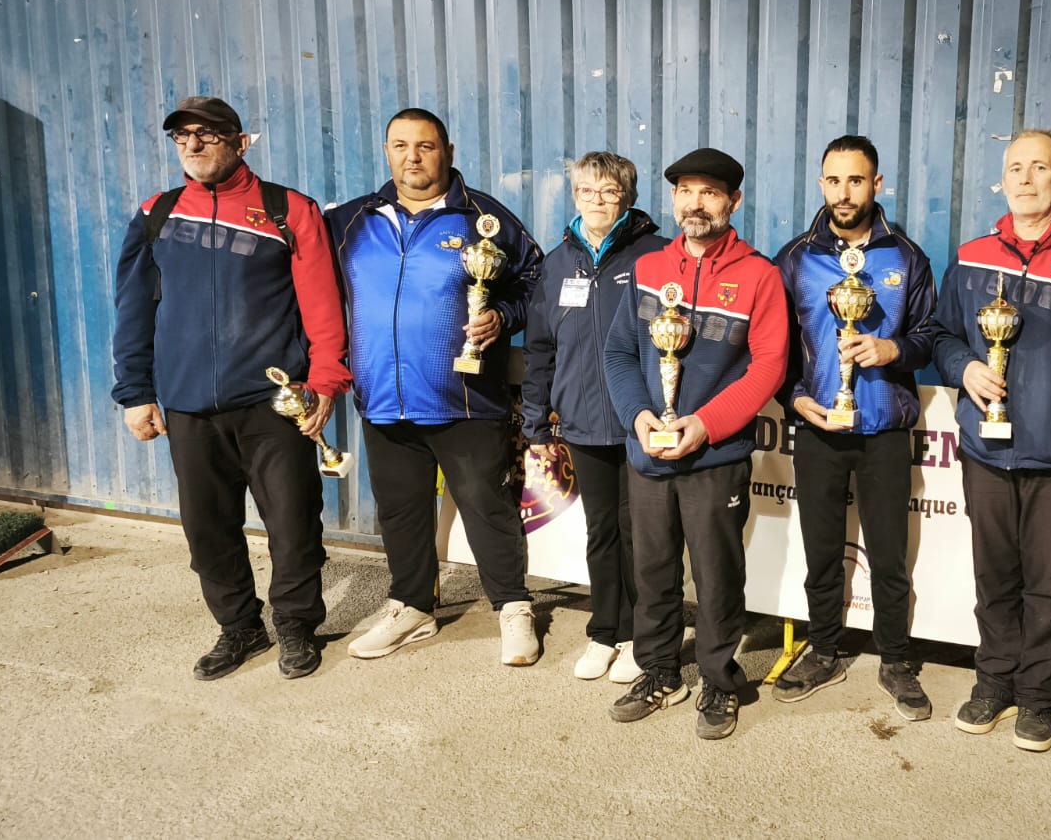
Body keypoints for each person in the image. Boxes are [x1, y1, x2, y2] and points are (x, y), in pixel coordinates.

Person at [112, 96, 350, 681]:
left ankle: (295, 624)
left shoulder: (287, 210)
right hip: (188, 406)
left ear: (242, 142)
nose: (192, 145)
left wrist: (324, 382)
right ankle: (240, 626)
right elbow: (134, 309)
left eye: (208, 134)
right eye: (181, 136)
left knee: (294, 524)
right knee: (207, 530)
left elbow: (322, 306)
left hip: (272, 406)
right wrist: (135, 392)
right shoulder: (158, 214)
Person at [327, 108, 544, 667]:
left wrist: (502, 315)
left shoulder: (484, 219)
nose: (412, 157)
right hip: (382, 396)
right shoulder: (351, 222)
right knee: (400, 510)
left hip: (464, 398)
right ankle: (411, 606)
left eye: (425, 146)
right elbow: (313, 292)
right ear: (386, 151)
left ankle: (513, 606)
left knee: (486, 506)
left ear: (447, 151)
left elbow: (536, 283)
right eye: (400, 145)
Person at [932, 129, 1051, 753]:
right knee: (994, 576)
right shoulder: (972, 254)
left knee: (1048, 582)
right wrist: (964, 368)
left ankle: (1038, 696)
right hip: (985, 450)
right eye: (1016, 167)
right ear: (1003, 179)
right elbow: (941, 335)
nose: (1026, 178)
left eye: (1040, 168)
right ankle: (993, 682)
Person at [602, 148, 789, 740]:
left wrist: (705, 425)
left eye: (710, 192)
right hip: (648, 453)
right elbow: (618, 353)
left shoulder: (759, 275)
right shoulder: (649, 268)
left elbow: (769, 366)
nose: (695, 203)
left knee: (715, 574)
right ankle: (660, 671)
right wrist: (638, 418)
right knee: (652, 570)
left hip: (714, 456)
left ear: (733, 201)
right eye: (686, 190)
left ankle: (718, 679)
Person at [770, 135, 939, 720]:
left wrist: (893, 350)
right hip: (819, 426)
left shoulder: (908, 258)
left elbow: (930, 336)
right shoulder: (794, 258)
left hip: (885, 428)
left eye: (857, 180)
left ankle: (896, 660)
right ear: (822, 184)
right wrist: (794, 398)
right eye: (835, 181)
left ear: (877, 184)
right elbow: (773, 347)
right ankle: (823, 651)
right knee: (821, 551)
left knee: (889, 554)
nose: (845, 193)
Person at [523, 151, 667, 683]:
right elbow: (540, 348)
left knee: (640, 534)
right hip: (582, 421)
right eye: (587, 190)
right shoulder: (558, 262)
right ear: (575, 196)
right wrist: (536, 422)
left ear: (627, 196)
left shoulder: (656, 254)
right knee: (601, 531)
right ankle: (606, 630)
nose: (597, 200)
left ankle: (640, 636)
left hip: (640, 422)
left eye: (609, 190)